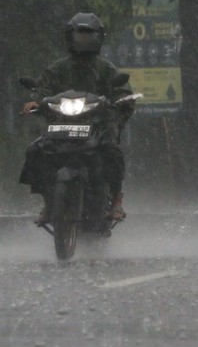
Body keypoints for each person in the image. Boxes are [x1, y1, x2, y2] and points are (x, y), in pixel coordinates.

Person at [19, 13, 135, 223]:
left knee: (112, 150)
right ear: (69, 38)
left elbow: (123, 91)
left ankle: (117, 200)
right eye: (79, 37)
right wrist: (35, 101)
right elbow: (42, 88)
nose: (84, 42)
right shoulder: (58, 68)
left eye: (88, 37)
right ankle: (47, 201)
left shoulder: (106, 68)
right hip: (62, 124)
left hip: (98, 125)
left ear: (99, 39)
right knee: (36, 150)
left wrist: (119, 103)